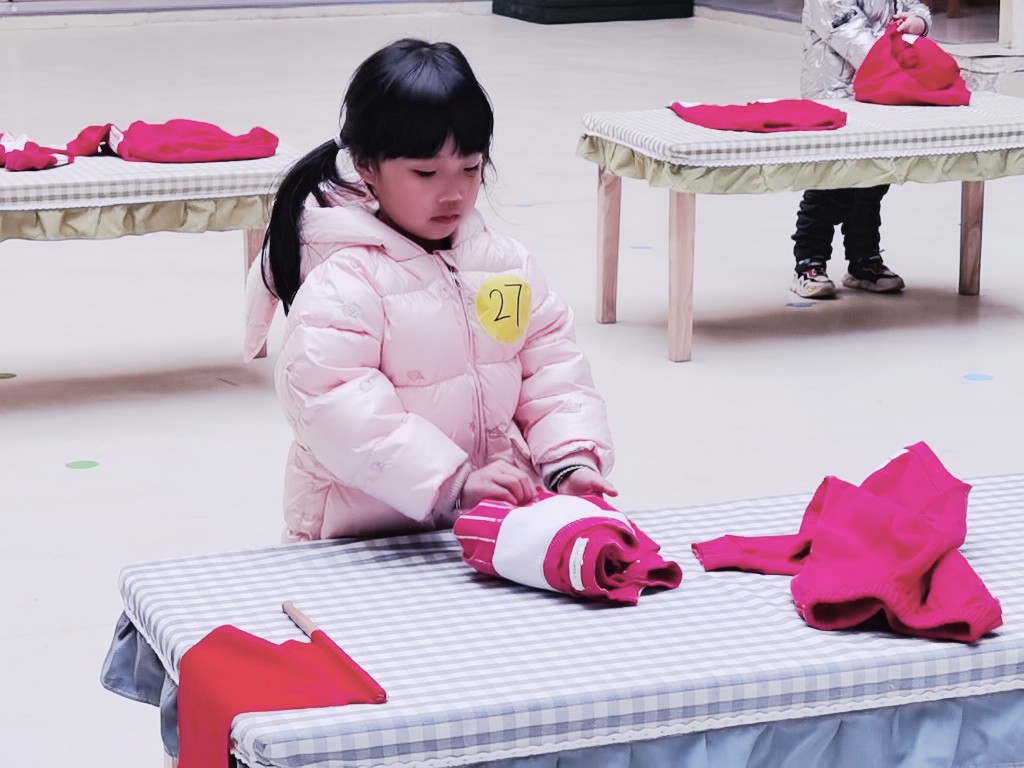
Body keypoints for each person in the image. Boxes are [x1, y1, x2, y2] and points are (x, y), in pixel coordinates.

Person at [249, 38, 615, 542]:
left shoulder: (505, 266)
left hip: (488, 531)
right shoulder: (345, 283)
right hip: (364, 541)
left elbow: (551, 371)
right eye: (426, 173)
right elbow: (334, 407)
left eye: (470, 168)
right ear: (366, 166)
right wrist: (452, 482)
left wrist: (569, 459)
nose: (454, 192)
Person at [790, 0, 931, 299]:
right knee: (829, 181)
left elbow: (914, 5)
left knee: (873, 180)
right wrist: (897, 61)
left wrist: (918, 22)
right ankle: (809, 262)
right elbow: (848, 31)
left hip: (879, 92)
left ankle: (864, 260)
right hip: (835, 93)